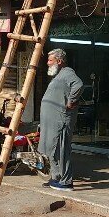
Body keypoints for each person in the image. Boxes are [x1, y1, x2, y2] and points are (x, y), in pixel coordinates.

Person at [38, 48, 83, 190]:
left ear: (59, 61)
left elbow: (79, 84)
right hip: (51, 121)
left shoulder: (67, 73)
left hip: (61, 120)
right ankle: (56, 177)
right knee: (52, 149)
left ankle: (66, 182)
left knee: (61, 149)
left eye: (50, 60)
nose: (47, 63)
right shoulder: (59, 76)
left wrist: (71, 101)